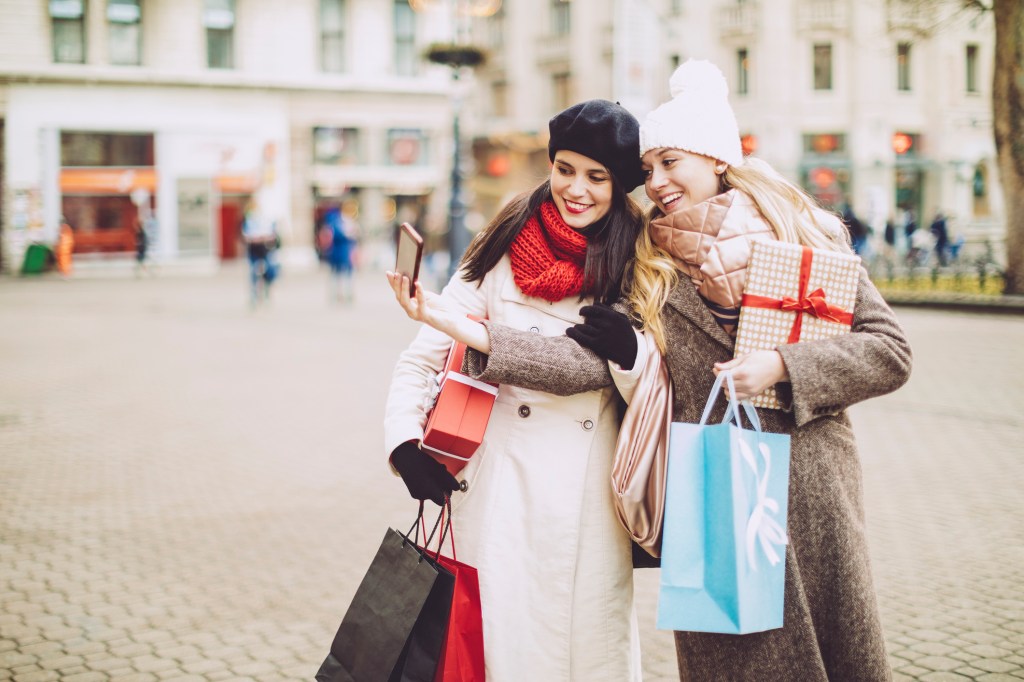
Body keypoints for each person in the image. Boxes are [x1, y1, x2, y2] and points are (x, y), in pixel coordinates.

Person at [457, 61, 913, 681]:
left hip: (810, 490)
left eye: (672, 162)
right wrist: (475, 334)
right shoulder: (647, 261)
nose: (657, 181)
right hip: (713, 495)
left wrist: (783, 366)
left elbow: (889, 350)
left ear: (716, 158)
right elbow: (582, 361)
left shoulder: (802, 235)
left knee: (834, 658)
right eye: (648, 170)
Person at [383, 100, 646, 681]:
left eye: (596, 177)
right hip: (496, 490)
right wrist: (404, 443)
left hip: (588, 504)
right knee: (494, 654)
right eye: (565, 169)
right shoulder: (502, 241)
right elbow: (423, 355)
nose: (576, 189)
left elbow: (589, 370)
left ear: (620, 185)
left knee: (584, 656)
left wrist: (631, 355)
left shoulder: (640, 259)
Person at [241, 201, 279, 307]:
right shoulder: (248, 221)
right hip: (254, 251)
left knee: (269, 272)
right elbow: (245, 236)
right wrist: (255, 239)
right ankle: (254, 296)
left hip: (266, 250)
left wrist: (265, 238)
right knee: (254, 273)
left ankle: (266, 293)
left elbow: (274, 236)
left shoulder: (267, 220)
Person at [319, 205, 358, 303]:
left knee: (339, 275)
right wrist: (349, 234)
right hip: (340, 254)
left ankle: (342, 294)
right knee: (341, 275)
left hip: (339, 254)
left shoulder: (332, 224)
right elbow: (344, 237)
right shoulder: (336, 224)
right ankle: (341, 294)